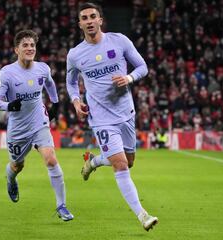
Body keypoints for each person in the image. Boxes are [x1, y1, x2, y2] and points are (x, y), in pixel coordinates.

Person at [66, 2, 158, 231]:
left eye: (92, 16)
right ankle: (142, 215)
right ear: (80, 24)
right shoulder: (75, 54)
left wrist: (129, 78)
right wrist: (76, 102)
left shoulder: (119, 41)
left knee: (129, 161)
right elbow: (70, 82)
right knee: (120, 165)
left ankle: (94, 161)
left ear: (100, 20)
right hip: (101, 118)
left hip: (126, 112)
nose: (89, 21)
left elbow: (142, 67)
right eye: (84, 18)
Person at [0, 30, 73, 221]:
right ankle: (10, 179)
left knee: (51, 159)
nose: (30, 48)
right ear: (16, 50)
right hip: (18, 129)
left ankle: (61, 206)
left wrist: (56, 103)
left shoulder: (43, 69)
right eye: (25, 45)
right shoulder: (7, 73)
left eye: (32, 45)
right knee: (17, 165)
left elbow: (50, 84)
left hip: (39, 122)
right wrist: (8, 105)